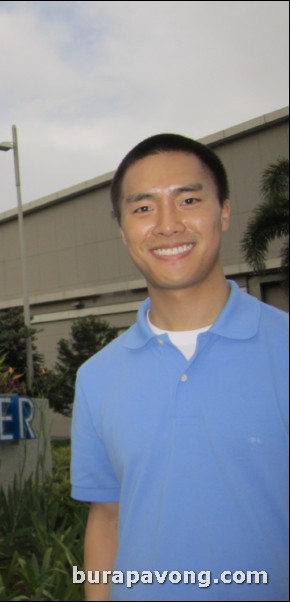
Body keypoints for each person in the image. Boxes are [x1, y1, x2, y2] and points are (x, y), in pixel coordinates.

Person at [71, 133, 289, 601]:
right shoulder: (96, 377)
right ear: (123, 228)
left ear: (224, 212)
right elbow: (106, 518)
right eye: (143, 208)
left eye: (188, 200)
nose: (168, 225)